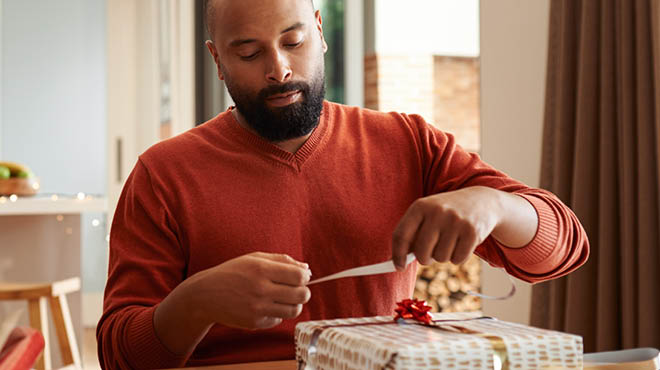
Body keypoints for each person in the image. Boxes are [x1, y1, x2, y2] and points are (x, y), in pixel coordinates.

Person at [97, 0, 589, 368]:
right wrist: (197, 300)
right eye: (248, 52)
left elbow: (562, 249)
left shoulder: (407, 141)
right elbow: (120, 358)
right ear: (217, 60)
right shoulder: (162, 174)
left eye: (294, 41)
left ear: (320, 30)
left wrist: (494, 206)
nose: (279, 69)